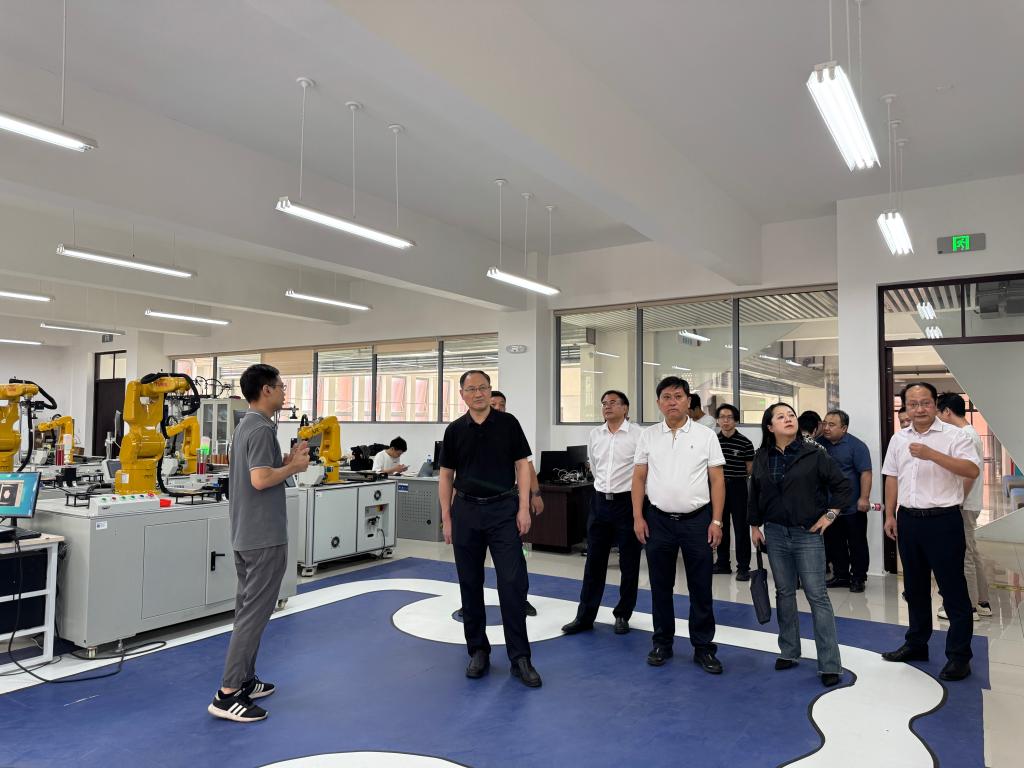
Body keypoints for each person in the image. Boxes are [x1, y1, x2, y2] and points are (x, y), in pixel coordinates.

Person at [209, 364, 310, 722]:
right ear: (266, 390)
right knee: (254, 615)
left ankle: (245, 680)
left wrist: (285, 461)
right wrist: (294, 468)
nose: (284, 392)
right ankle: (228, 694)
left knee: (247, 610)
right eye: (281, 386)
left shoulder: (247, 425)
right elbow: (261, 479)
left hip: (245, 533)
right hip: (264, 536)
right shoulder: (262, 429)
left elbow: (261, 469)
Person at [439, 370, 541, 687]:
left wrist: (523, 507)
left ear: (489, 390)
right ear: (462, 394)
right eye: (471, 389)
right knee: (470, 583)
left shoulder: (508, 424)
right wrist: (447, 517)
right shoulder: (455, 430)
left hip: (503, 511)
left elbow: (522, 466)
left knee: (511, 583)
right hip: (466, 511)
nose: (478, 393)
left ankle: (520, 657)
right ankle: (478, 651)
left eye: (483, 387)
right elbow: (446, 475)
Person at [880, 383, 980, 682]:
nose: (919, 409)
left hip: (943, 521)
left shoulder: (956, 435)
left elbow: (971, 470)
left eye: (925, 402)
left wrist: (931, 454)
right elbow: (892, 476)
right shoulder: (899, 438)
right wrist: (890, 514)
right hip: (909, 520)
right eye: (913, 404)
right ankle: (916, 643)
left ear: (935, 404)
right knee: (914, 588)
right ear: (906, 407)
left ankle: (959, 657)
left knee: (953, 590)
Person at [748, 403, 850, 688]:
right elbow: (755, 492)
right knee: (784, 593)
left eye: (791, 415)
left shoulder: (814, 453)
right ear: (770, 427)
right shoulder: (762, 456)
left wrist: (830, 515)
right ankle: (789, 650)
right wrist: (754, 526)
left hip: (808, 534)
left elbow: (843, 486)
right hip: (775, 533)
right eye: (781, 417)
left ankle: (829, 664)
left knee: (818, 596)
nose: (788, 419)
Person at [633, 376, 726, 673]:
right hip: (658, 520)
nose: (672, 402)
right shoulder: (648, 436)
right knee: (660, 586)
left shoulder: (705, 435)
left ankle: (703, 647)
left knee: (701, 586)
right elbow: (639, 478)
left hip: (697, 521)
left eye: (678, 396)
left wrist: (716, 520)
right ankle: (662, 643)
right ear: (658, 403)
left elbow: (717, 480)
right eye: (666, 397)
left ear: (688, 401)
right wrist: (637, 517)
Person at [562, 390, 642, 635]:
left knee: (629, 563)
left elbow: (643, 472)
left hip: (627, 503)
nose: (607, 406)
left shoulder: (638, 434)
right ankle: (585, 616)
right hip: (599, 503)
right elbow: (595, 468)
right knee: (594, 563)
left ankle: (623, 614)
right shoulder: (595, 434)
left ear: (625, 408)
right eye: (604, 403)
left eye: (613, 403)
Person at [936, 392, 991, 621]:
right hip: (970, 502)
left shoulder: (964, 436)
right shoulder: (971, 433)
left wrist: (957, 501)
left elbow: (968, 475)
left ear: (947, 411)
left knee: (965, 555)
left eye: (939, 413)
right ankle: (982, 602)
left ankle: (968, 606)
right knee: (972, 551)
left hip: (964, 503)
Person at [489, 389, 539, 617]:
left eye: (502, 405)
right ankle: (470, 601)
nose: (498, 408)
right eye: (494, 404)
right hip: (475, 506)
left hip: (506, 503)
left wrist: (535, 494)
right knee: (472, 559)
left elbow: (526, 466)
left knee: (516, 556)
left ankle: (521, 599)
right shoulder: (469, 430)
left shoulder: (511, 429)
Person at [818, 410, 873, 593]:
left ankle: (858, 578)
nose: (826, 428)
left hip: (852, 506)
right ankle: (841, 575)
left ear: (844, 428)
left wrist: (864, 498)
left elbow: (866, 473)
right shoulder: (819, 444)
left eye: (832, 424)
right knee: (834, 542)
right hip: (829, 507)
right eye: (825, 423)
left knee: (857, 543)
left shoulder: (857, 446)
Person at [713, 404, 755, 580]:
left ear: (736, 420)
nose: (725, 420)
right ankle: (723, 563)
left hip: (738, 487)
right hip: (718, 488)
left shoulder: (745, 442)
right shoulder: (713, 441)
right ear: (717, 420)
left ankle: (743, 567)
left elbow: (750, 469)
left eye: (729, 417)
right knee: (719, 525)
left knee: (741, 528)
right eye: (722, 417)